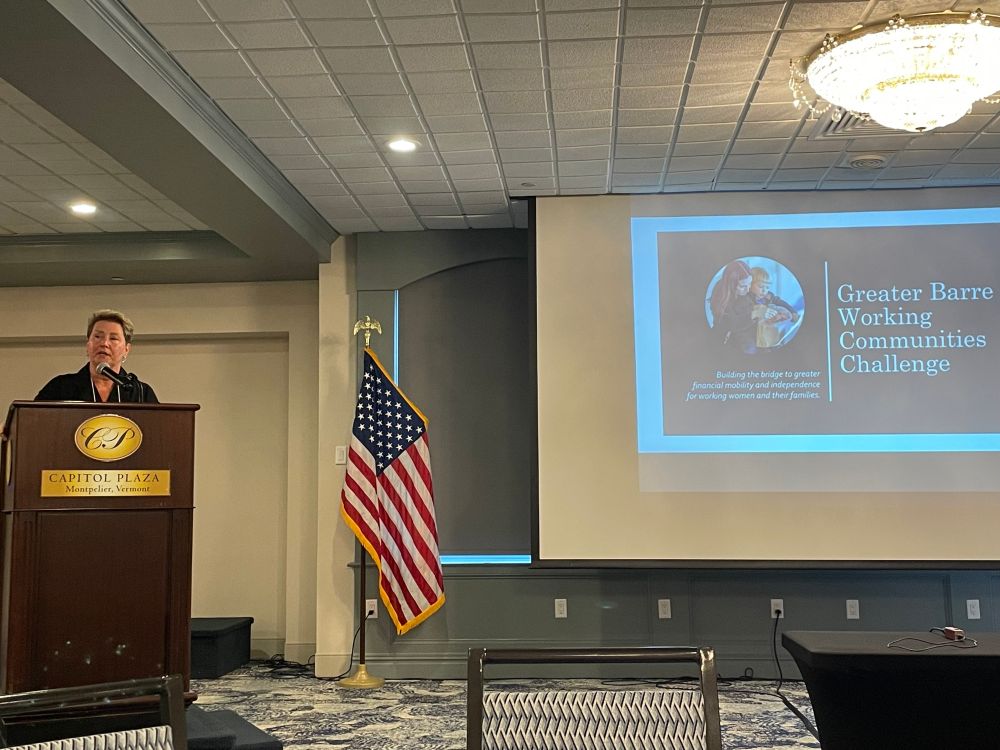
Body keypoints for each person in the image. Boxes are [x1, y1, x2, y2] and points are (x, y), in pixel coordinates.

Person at [35, 310, 159, 403]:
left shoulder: (140, 393)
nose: (104, 343)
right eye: (98, 337)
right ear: (88, 345)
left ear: (126, 349)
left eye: (113, 338)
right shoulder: (60, 388)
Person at [709, 259, 757, 353]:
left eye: (749, 284)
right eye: (743, 286)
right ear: (731, 285)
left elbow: (757, 296)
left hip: (744, 333)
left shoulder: (744, 289)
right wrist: (754, 314)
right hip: (726, 338)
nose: (748, 289)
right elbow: (730, 324)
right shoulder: (720, 296)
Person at [749, 267, 800, 348]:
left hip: (768, 333)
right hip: (753, 335)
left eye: (767, 287)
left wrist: (792, 312)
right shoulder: (746, 299)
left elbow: (781, 302)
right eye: (760, 286)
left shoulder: (769, 296)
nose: (764, 290)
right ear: (750, 284)